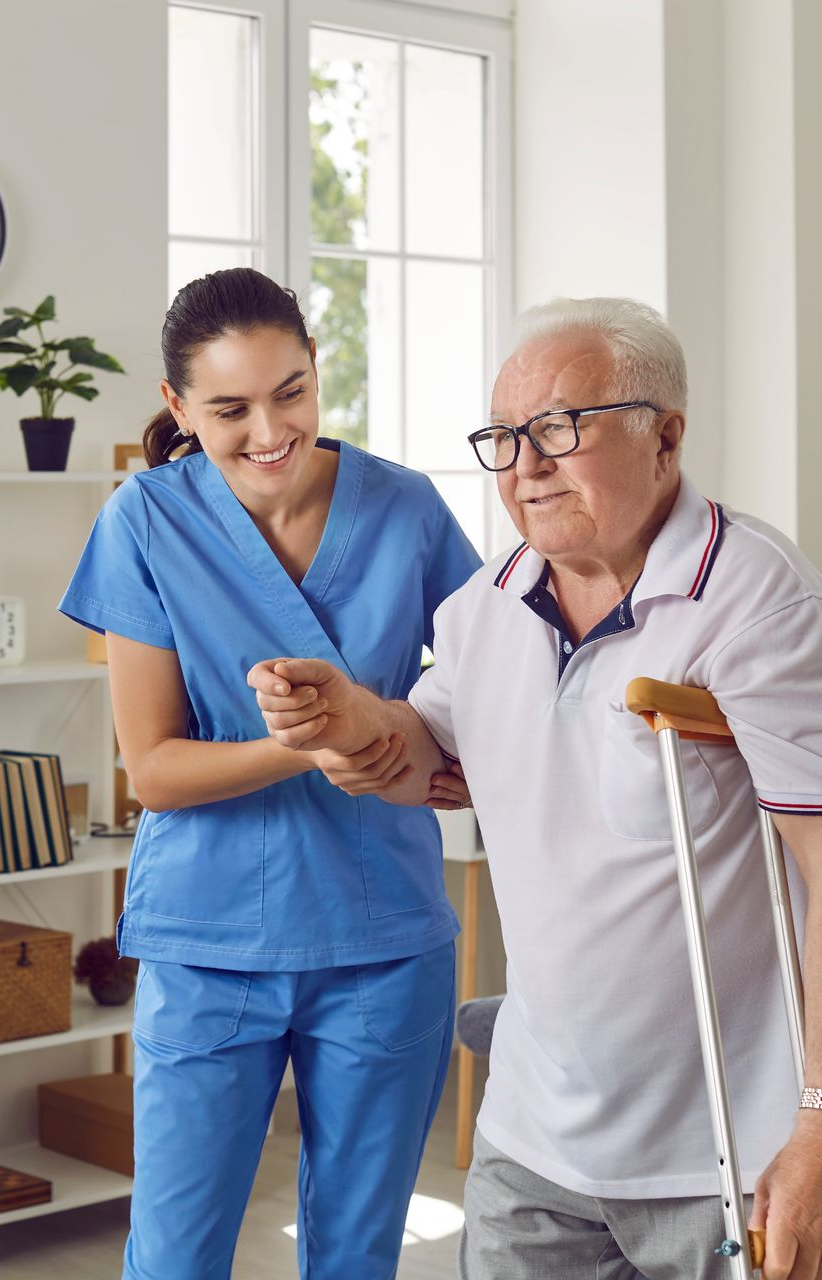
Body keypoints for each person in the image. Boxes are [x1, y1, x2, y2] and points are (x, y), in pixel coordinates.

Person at [247, 297, 822, 1280]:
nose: (525, 464)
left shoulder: (764, 604)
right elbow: (428, 756)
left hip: (722, 1154)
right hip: (531, 1146)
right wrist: (351, 719)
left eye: (559, 427)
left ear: (664, 435)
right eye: (504, 438)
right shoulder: (484, 605)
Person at [58, 267, 481, 1280]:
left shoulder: (407, 509)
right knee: (173, 1255)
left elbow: (485, 694)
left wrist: (415, 737)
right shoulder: (145, 520)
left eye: (290, 391)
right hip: (210, 944)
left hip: (384, 937)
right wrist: (305, 741)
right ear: (177, 407)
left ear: (315, 370)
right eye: (230, 407)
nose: (268, 430)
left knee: (354, 1254)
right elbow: (153, 768)